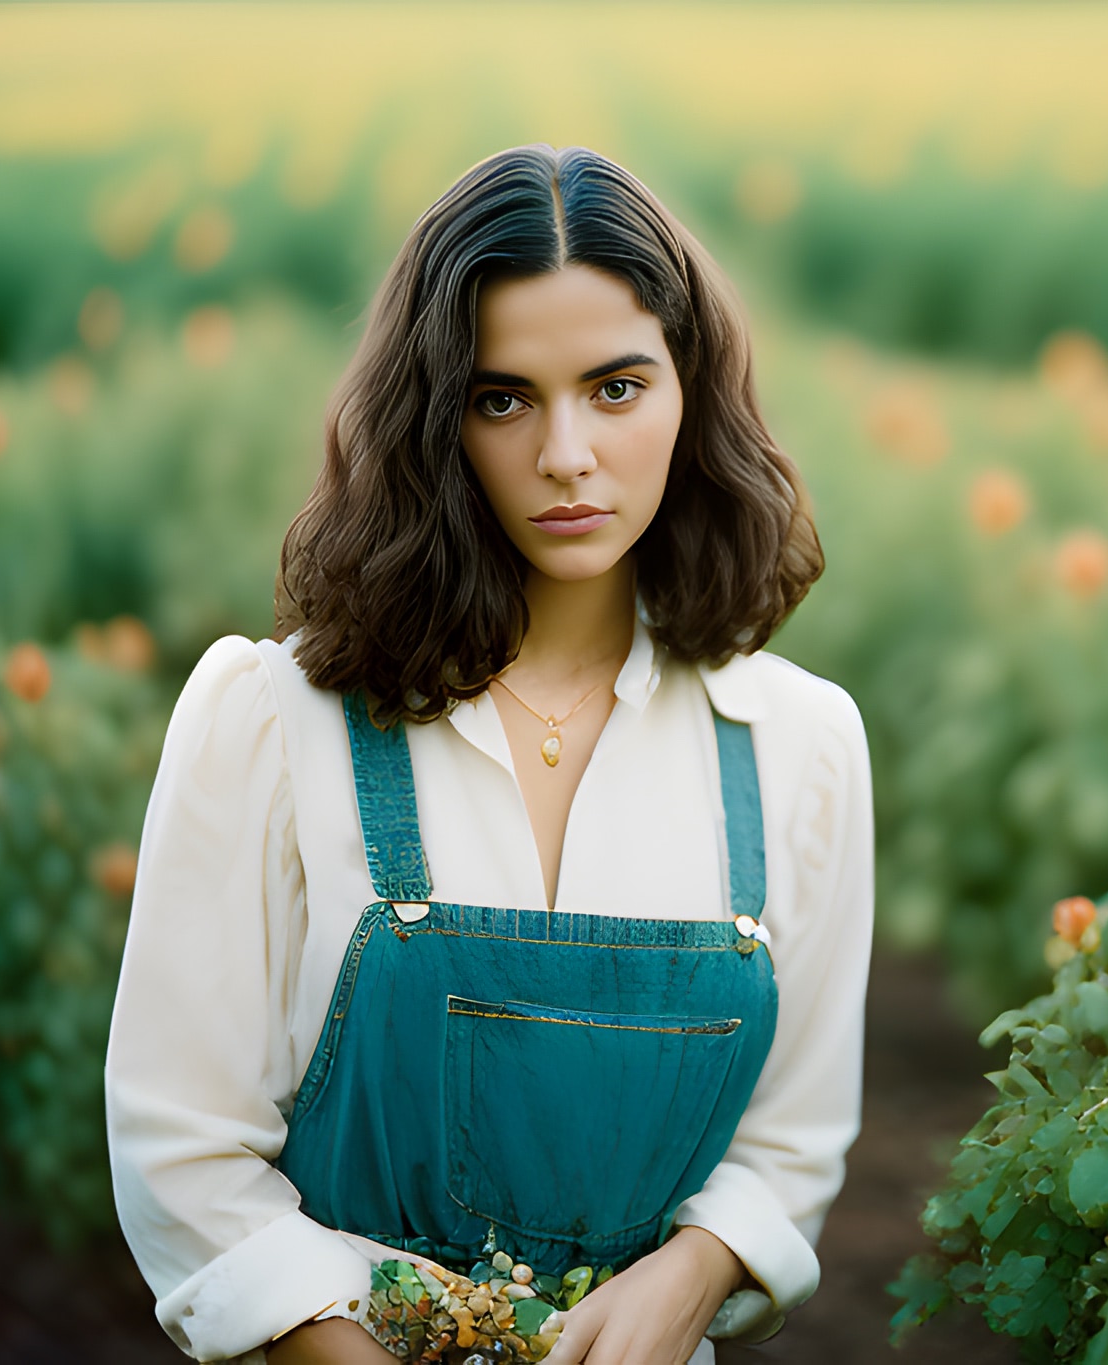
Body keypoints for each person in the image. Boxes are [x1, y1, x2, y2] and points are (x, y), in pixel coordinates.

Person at [102, 143, 874, 1365]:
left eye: (615, 388)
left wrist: (694, 1274)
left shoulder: (798, 746)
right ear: (433, 420)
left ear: (692, 396)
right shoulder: (273, 720)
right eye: (502, 397)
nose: (566, 453)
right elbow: (181, 1153)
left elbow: (792, 1139)